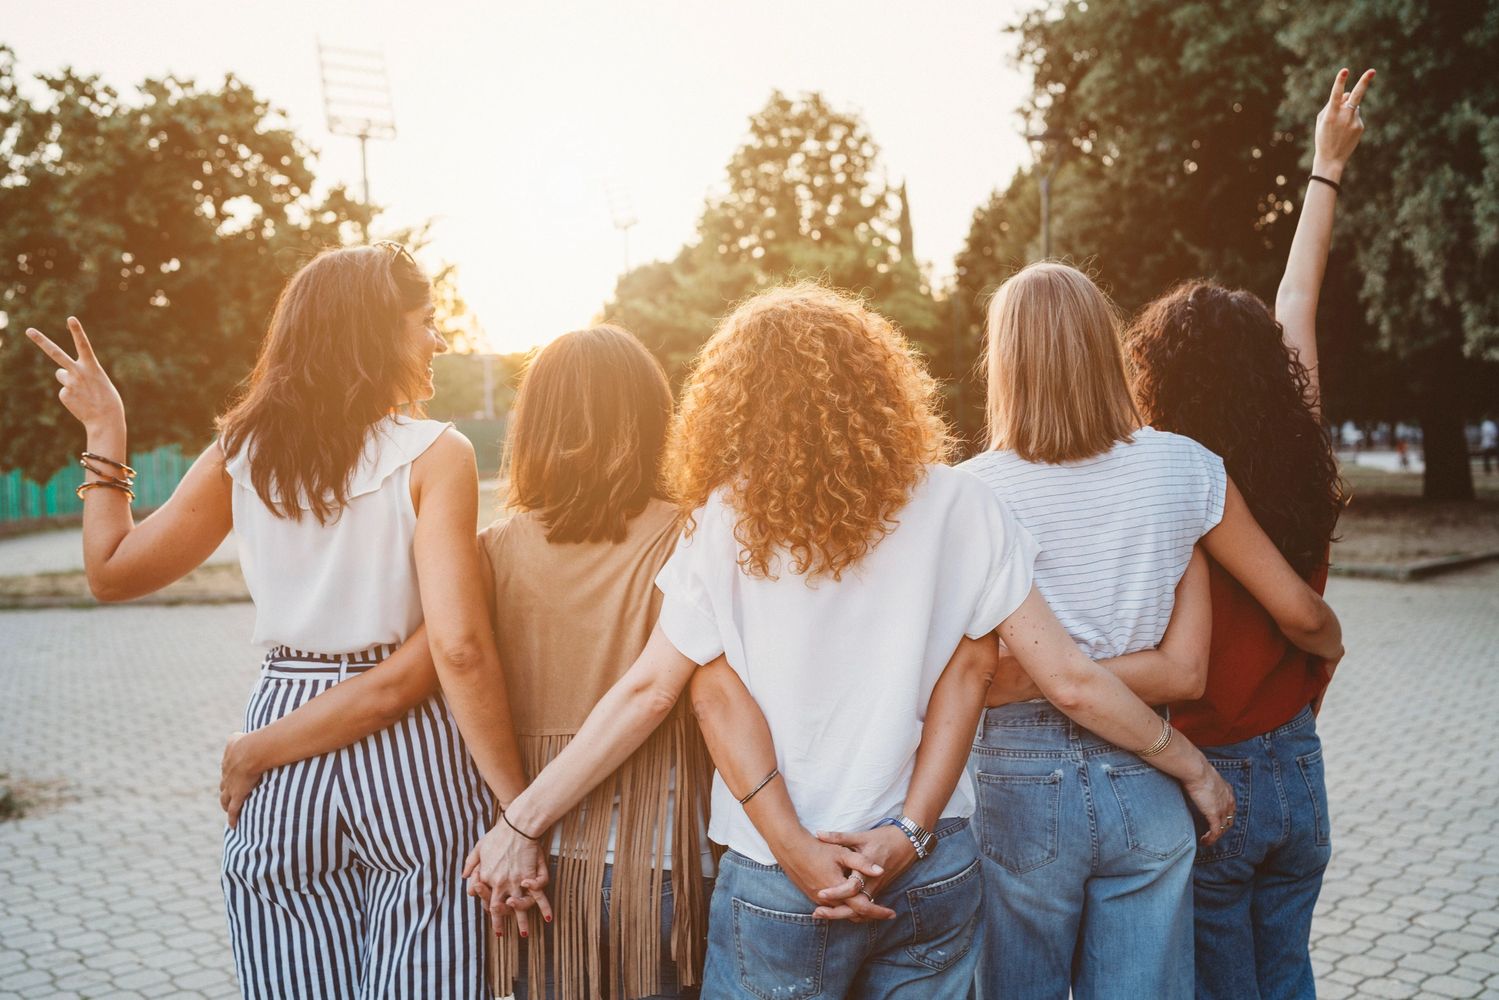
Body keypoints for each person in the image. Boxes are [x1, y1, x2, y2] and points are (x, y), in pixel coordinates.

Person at [464, 284, 1234, 999]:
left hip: (776, 877)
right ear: (880, 381)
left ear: (735, 401)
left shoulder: (720, 521)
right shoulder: (961, 503)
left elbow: (666, 692)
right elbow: (1044, 677)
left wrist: (523, 820)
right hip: (928, 867)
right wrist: (1188, 769)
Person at [26, 243, 533, 999]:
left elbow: (111, 571)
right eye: (424, 323)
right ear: (373, 333)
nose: (439, 340)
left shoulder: (242, 451)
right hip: (413, 758)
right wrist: (517, 806)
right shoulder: (437, 453)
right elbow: (457, 648)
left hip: (280, 745)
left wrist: (106, 433)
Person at [221, 325, 717, 1000]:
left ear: (532, 426)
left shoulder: (489, 555)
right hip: (660, 867)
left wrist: (259, 749)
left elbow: (404, 679)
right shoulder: (692, 540)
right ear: (655, 420)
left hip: (527, 872)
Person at [960, 261, 1343, 1000]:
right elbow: (1184, 672)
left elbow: (984, 678)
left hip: (1017, 785)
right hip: (1149, 775)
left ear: (1002, 360)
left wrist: (1030, 677)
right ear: (1103, 347)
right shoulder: (1185, 470)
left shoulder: (970, 493)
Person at [1126, 67, 1373, 1000]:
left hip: (1211, 778)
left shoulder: (1172, 478)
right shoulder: (1297, 446)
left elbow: (1301, 620)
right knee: (1290, 973)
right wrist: (1325, 168)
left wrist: (1329, 638)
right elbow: (1297, 296)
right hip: (1298, 764)